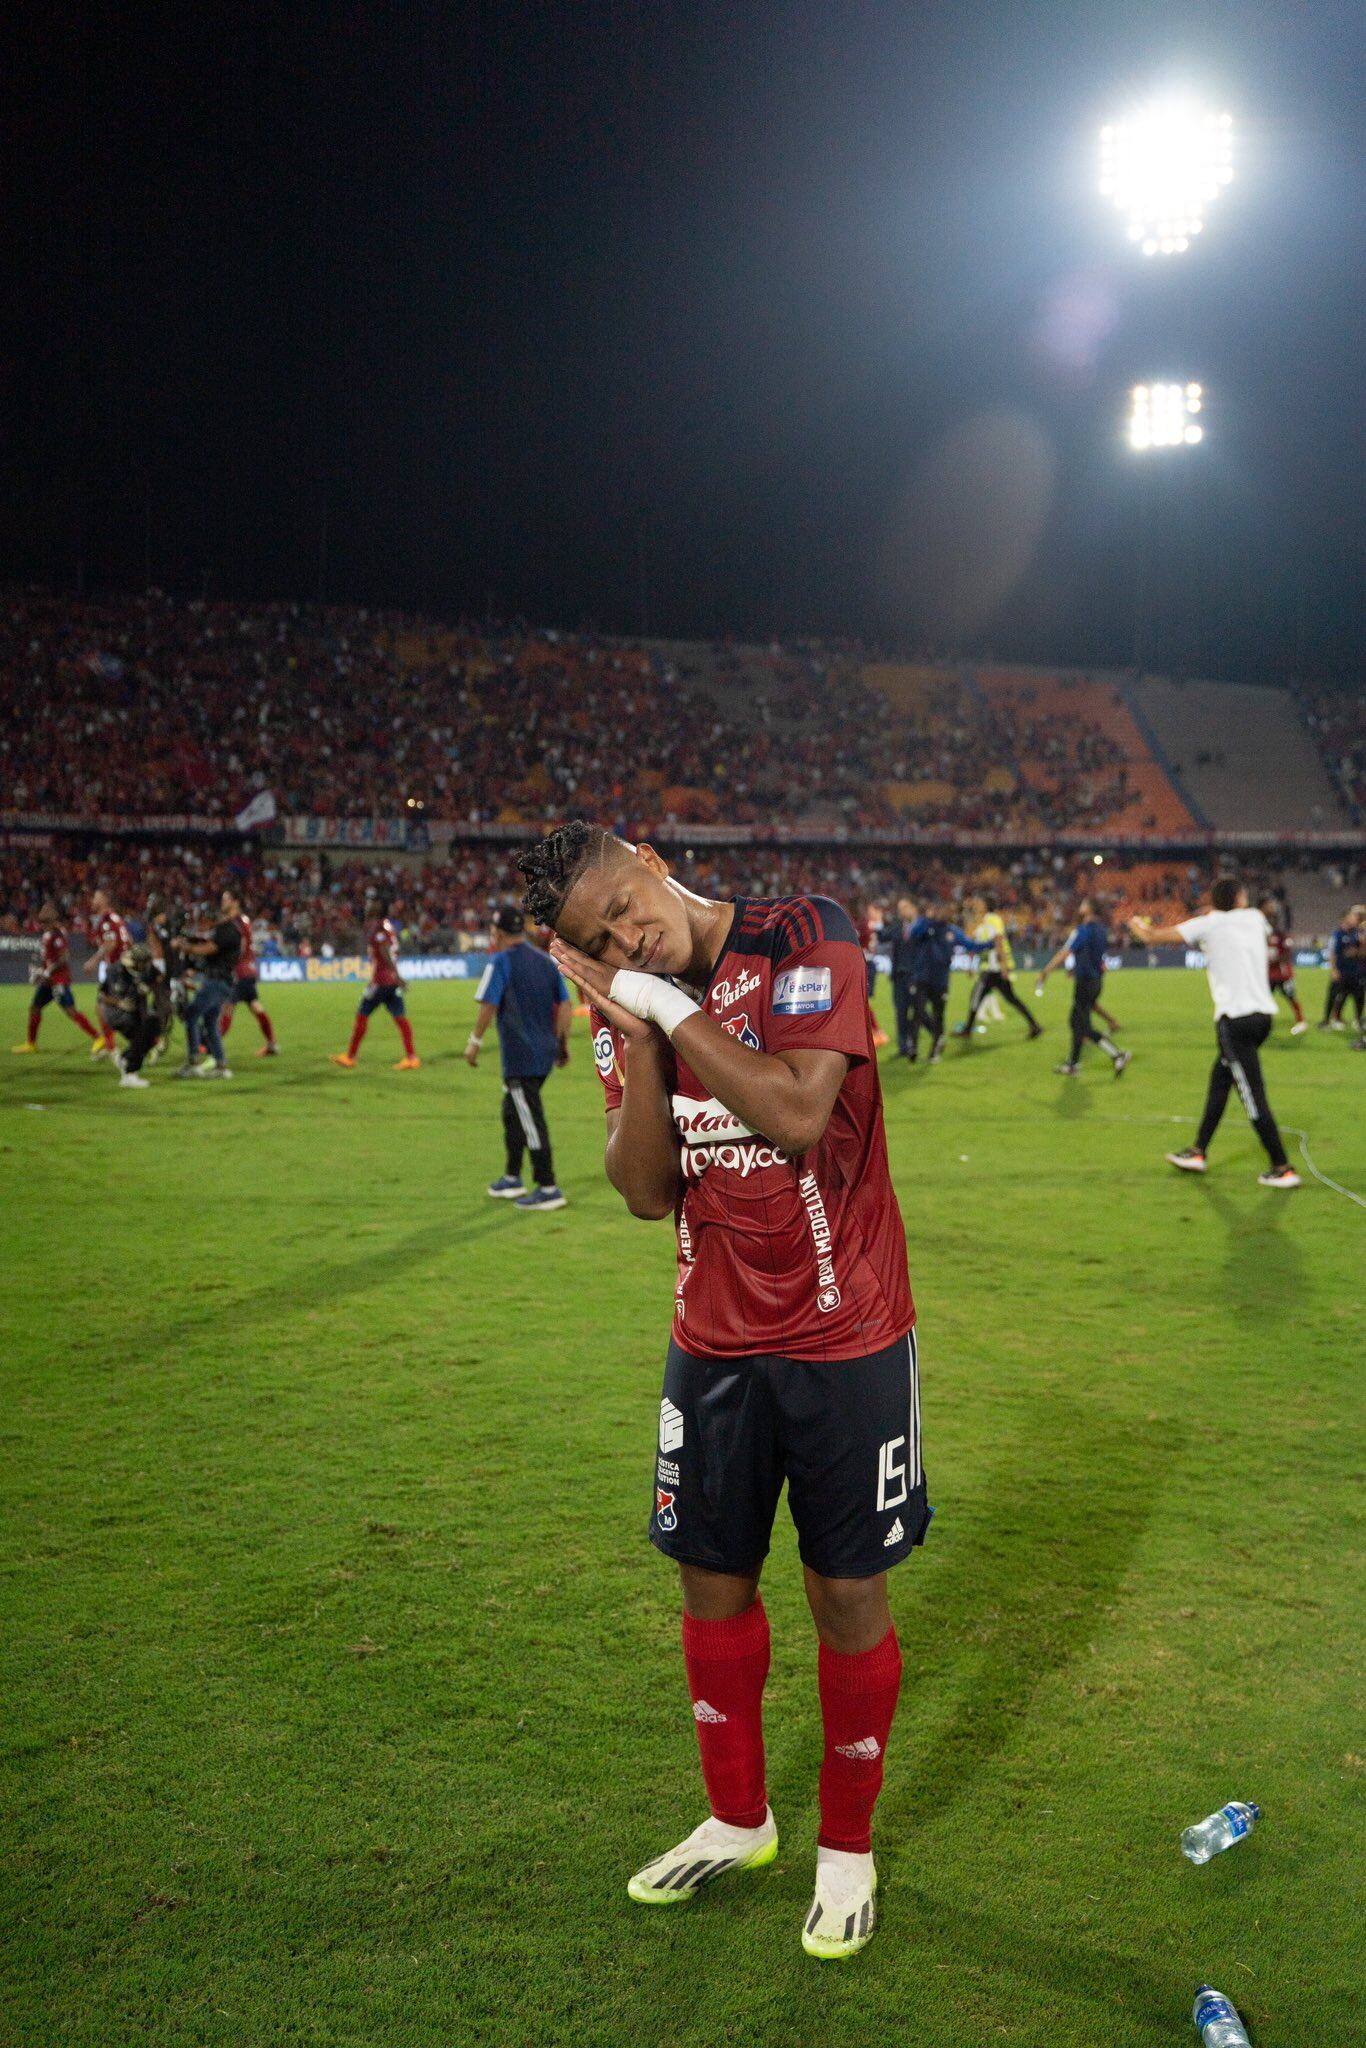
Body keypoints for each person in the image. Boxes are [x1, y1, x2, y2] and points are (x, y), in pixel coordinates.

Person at [520, 820, 928, 1963]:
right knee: (710, 1579)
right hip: (711, 1340)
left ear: (649, 858)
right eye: (597, 940)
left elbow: (797, 1111)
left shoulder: (806, 934)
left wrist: (662, 1004)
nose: (625, 938)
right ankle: (738, 1818)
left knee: (844, 1590)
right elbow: (646, 1189)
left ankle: (846, 1849)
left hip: (846, 1336)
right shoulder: (631, 1011)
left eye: (623, 908)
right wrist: (637, 1042)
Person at [1129, 878, 1299, 1188]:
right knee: (1220, 1080)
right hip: (1262, 1017)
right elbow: (1233, 918)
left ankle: (1282, 1166)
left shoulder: (1207, 924)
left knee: (1251, 1094)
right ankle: (1198, 1151)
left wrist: (1137, 924)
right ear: (1238, 898)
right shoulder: (1255, 919)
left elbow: (1152, 937)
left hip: (1234, 1021)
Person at [465, 906, 572, 1211]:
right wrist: (562, 1043)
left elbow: (488, 1004)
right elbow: (564, 1005)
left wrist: (474, 1043)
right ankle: (513, 1177)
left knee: (528, 1118)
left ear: (497, 933)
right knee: (512, 1111)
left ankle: (548, 1186)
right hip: (545, 1051)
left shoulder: (500, 961)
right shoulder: (544, 961)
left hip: (520, 1056)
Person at [1037, 900, 1131, 1078]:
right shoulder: (1102, 929)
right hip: (1095, 981)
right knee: (1075, 1022)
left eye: (1084, 903)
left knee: (1082, 1027)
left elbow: (1064, 953)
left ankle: (1118, 1055)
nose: (1080, 905)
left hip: (1085, 982)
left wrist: (1045, 972)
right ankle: (1073, 1064)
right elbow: (1092, 954)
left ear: (1089, 909)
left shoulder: (1083, 930)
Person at [330, 906, 420, 1070]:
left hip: (381, 982)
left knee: (362, 1014)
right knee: (400, 1018)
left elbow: (384, 950)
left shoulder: (379, 931)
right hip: (392, 982)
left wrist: (397, 976)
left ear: (373, 916)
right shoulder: (388, 927)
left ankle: (350, 1057)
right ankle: (412, 1057)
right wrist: (397, 978)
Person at [900, 898, 990, 1063]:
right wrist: (927, 919)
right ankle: (913, 1046)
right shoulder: (926, 926)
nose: (945, 912)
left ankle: (935, 1050)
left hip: (940, 981)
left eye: (947, 910)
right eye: (941, 909)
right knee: (918, 1013)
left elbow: (971, 945)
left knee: (938, 1015)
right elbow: (912, 935)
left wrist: (990, 944)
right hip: (921, 978)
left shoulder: (952, 931)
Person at [12, 900, 101, 1052]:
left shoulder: (58, 934)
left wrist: (48, 971)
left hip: (58, 981)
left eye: (47, 909)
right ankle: (31, 1044)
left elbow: (64, 958)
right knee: (34, 1008)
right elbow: (49, 959)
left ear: (53, 916)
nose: (43, 911)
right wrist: (40, 972)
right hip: (48, 981)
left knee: (70, 1011)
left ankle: (98, 1038)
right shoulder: (48, 933)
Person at [955, 895, 1042, 1043]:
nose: (976, 905)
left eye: (979, 902)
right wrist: (971, 965)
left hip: (993, 968)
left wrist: (1003, 967)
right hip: (991, 967)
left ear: (986, 905)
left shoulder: (993, 920)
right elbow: (974, 943)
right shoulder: (981, 921)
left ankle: (967, 1030)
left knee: (976, 996)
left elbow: (998, 942)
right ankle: (1034, 1025)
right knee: (1011, 998)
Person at [176, 907, 241, 1079]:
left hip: (215, 982)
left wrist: (183, 946)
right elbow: (205, 942)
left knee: (191, 1015)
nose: (204, 924)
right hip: (222, 983)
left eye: (205, 920)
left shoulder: (225, 931)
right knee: (210, 1022)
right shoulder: (230, 930)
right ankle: (221, 1065)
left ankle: (194, 1063)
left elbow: (206, 949)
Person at [217, 891, 278, 1056]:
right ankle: (272, 1044)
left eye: (226, 900)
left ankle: (211, 1047)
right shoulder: (244, 920)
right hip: (249, 970)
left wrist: (229, 962)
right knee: (255, 1005)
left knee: (227, 1007)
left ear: (235, 902)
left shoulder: (236, 922)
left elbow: (241, 946)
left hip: (239, 971)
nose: (222, 903)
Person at [99, 940, 164, 1089]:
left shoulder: (147, 967)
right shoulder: (115, 971)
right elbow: (102, 996)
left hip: (138, 1011)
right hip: (116, 1012)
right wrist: (119, 1003)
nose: (146, 966)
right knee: (141, 1033)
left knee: (154, 1026)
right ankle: (129, 1072)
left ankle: (126, 1058)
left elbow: (158, 977)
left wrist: (148, 987)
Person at [83, 888, 130, 1059]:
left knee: (105, 1009)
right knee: (107, 1008)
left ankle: (114, 1048)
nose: (92, 901)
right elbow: (128, 940)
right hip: (122, 969)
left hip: (116, 971)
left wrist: (93, 962)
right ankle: (111, 1047)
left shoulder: (106, 920)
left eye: (95, 897)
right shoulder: (116, 918)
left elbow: (110, 943)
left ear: (104, 900)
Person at [1260, 896, 1307, 1035]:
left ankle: (1301, 1021)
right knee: (1264, 1000)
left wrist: (1272, 961)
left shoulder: (1281, 935)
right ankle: (1264, 1024)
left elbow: (1287, 955)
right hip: (1268, 975)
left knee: (1291, 997)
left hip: (1283, 974)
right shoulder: (1262, 936)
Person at [857, 903, 891, 1049]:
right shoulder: (876, 925)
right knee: (861, 1000)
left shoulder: (866, 924)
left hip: (866, 963)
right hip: (869, 963)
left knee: (862, 1001)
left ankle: (876, 1031)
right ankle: (871, 1031)